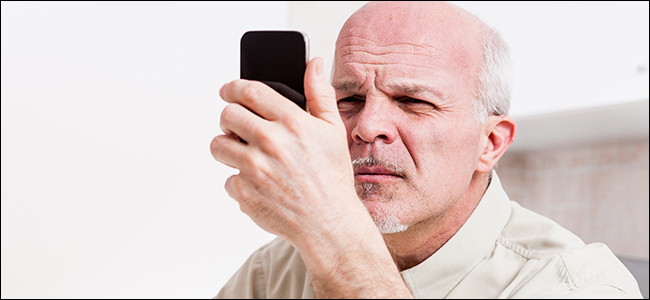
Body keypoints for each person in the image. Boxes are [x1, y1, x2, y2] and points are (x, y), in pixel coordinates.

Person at [211, 2, 642, 298]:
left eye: (414, 102)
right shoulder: (274, 273)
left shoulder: (577, 286)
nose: (367, 126)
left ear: (490, 144)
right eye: (350, 101)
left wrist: (334, 234)